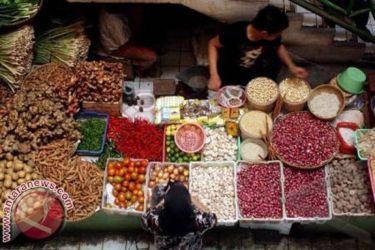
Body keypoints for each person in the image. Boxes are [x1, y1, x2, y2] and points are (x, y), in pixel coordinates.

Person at [208, 5, 308, 90]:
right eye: (277, 34)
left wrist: (292, 66)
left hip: (257, 72)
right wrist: (213, 75)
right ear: (264, 33)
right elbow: (212, 44)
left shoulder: (271, 35)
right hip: (232, 73)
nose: (279, 36)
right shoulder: (234, 31)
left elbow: (278, 46)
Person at [141, 181, 217, 250]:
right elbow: (213, 218)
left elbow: (144, 218)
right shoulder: (199, 221)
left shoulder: (154, 221)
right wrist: (192, 199)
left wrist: (164, 201)